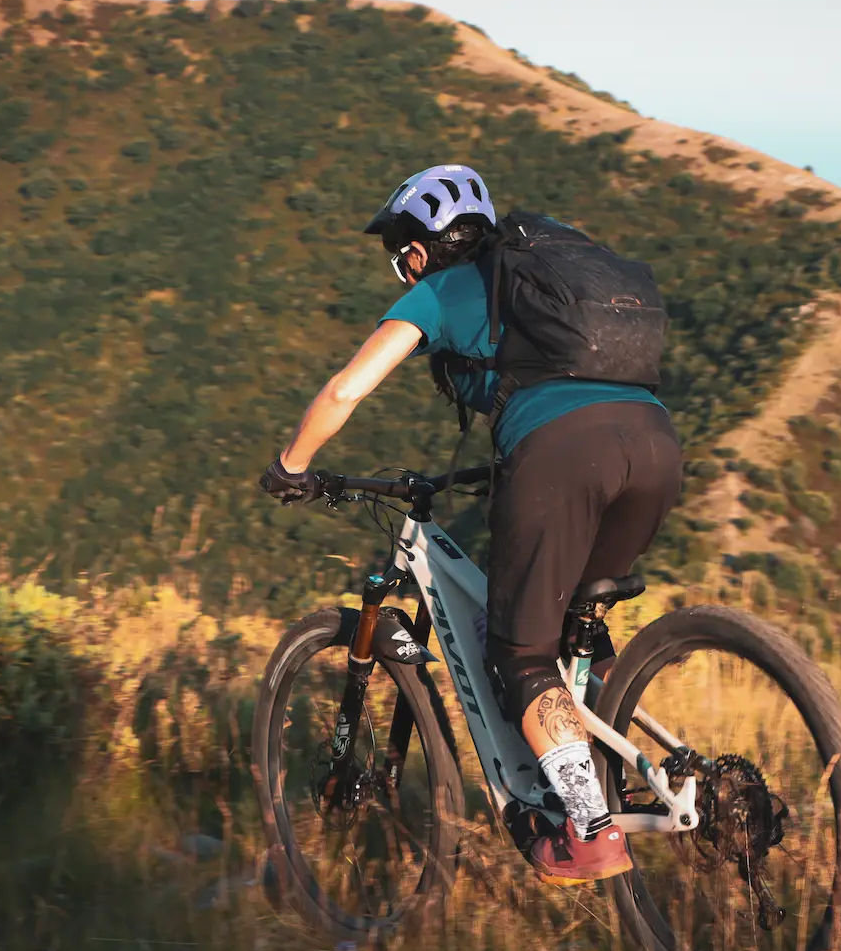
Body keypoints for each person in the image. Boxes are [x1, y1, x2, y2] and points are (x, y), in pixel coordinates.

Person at [259, 164, 682, 884]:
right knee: (575, 618)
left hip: (562, 451)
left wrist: (293, 465)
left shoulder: (447, 289)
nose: (402, 267)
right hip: (656, 443)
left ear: (421, 248)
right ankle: (617, 759)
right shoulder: (535, 285)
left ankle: (592, 827)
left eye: (402, 253)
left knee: (519, 653)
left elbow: (346, 387)